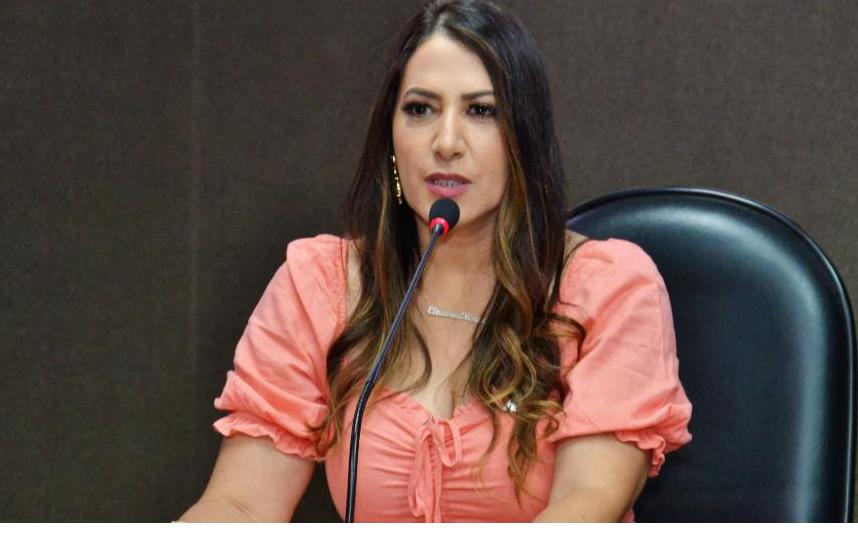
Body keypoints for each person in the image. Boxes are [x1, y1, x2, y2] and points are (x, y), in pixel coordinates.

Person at [178, 0, 692, 523]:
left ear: (524, 138)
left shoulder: (609, 289)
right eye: (421, 109)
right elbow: (242, 503)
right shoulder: (321, 284)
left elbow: (586, 504)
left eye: (481, 111)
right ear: (391, 138)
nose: (446, 143)